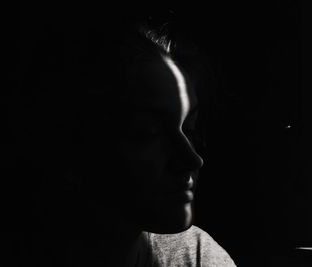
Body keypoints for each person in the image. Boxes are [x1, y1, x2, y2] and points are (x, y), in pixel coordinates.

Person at [37, 14, 238, 267]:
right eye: (148, 132)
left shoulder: (197, 257)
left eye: (190, 128)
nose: (192, 159)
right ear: (73, 147)